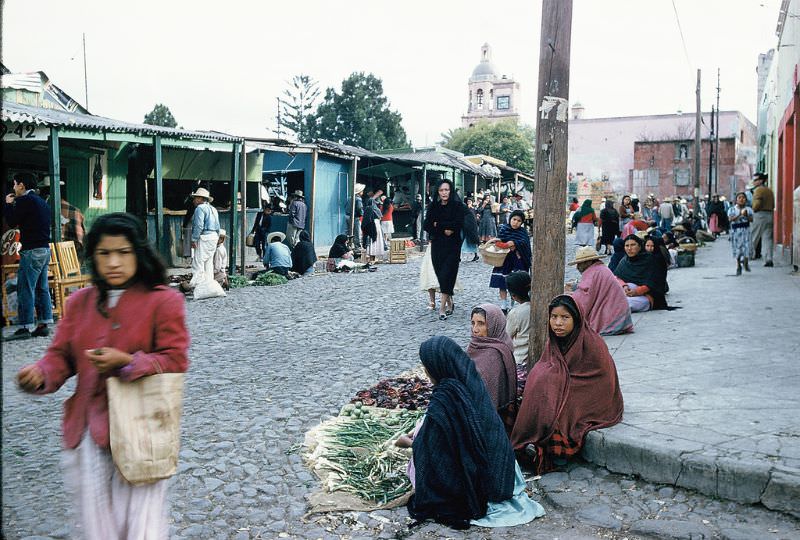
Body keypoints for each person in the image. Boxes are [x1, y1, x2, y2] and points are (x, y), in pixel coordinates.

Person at [16, 212, 189, 538]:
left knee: (142, 522)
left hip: (142, 431)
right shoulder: (80, 302)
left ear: (139, 252)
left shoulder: (164, 301)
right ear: (93, 256)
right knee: (99, 525)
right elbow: (61, 355)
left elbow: (175, 360)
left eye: (123, 253)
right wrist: (40, 373)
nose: (113, 262)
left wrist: (127, 362)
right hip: (89, 433)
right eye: (104, 253)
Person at [397, 336, 545, 530]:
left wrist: (408, 443)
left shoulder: (446, 396)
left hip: (480, 482)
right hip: (503, 473)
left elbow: (432, 448)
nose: (425, 371)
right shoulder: (471, 382)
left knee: (422, 464)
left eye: (427, 366)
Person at [511, 295, 623, 474]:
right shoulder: (554, 342)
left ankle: (552, 447)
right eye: (554, 317)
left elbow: (600, 380)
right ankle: (532, 439)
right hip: (568, 385)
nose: (558, 323)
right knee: (539, 381)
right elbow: (549, 365)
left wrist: (558, 383)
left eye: (565, 318)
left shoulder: (593, 345)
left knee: (560, 403)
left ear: (576, 320)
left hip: (590, 394)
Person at [3, 172, 54, 341]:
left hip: (31, 250)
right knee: (42, 288)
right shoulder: (42, 202)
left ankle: (25, 326)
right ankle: (43, 324)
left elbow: (11, 222)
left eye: (15, 184)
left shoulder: (24, 201)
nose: (14, 187)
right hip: (45, 250)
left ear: (22, 186)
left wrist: (8, 204)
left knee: (25, 289)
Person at [467, 304, 518, 431]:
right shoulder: (478, 345)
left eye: (481, 324)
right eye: (473, 323)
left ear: (494, 325)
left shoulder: (494, 354)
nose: (475, 329)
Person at [424, 179, 466, 320]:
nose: (444, 193)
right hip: (437, 245)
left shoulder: (458, 206)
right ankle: (450, 301)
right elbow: (427, 225)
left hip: (453, 245)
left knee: (448, 273)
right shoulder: (433, 206)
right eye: (441, 190)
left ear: (451, 190)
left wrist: (438, 224)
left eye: (446, 190)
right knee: (441, 275)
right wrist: (444, 227)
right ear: (438, 191)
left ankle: (442, 308)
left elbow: (459, 223)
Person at [567, 246, 633, 335]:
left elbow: (584, 299)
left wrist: (569, 299)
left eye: (580, 264)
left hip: (610, 321)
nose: (577, 267)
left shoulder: (592, 273)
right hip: (621, 317)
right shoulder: (600, 268)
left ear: (588, 262)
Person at [489, 210, 532, 313]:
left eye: (518, 221)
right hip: (504, 260)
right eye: (514, 219)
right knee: (502, 283)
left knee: (516, 284)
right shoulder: (504, 229)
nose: (515, 222)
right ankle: (503, 304)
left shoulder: (523, 232)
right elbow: (499, 241)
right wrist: (503, 244)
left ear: (521, 223)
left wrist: (515, 244)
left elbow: (525, 245)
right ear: (510, 219)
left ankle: (514, 304)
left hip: (517, 261)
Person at [613, 234, 668, 312]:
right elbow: (617, 277)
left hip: (647, 296)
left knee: (624, 305)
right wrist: (624, 286)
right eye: (627, 245)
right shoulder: (624, 261)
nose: (629, 248)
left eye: (633, 245)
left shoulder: (651, 260)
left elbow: (654, 282)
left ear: (639, 246)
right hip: (628, 293)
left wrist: (637, 291)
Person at [187, 187, 222, 295]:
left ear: (200, 199)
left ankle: (198, 287)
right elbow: (217, 226)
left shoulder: (200, 209)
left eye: (195, 198)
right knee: (208, 263)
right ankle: (209, 286)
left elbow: (199, 225)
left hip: (205, 237)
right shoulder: (213, 209)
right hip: (213, 237)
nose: (194, 201)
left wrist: (194, 239)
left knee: (198, 263)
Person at [504, 271, 531, 366]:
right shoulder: (538, 306)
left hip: (520, 359)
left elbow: (507, 336)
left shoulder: (515, 313)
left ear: (513, 295)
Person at [750, 173, 775, 267]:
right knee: (767, 238)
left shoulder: (758, 190)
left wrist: (753, 209)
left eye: (755, 180)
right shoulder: (769, 191)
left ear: (761, 181)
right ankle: (768, 258)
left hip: (760, 215)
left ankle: (748, 256)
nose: (754, 182)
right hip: (770, 214)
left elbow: (757, 204)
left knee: (753, 236)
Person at [728, 192, 754, 276]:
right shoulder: (732, 209)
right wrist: (739, 214)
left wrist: (746, 216)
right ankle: (738, 265)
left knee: (747, 248)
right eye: (739, 197)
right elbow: (731, 219)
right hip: (736, 231)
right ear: (736, 200)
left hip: (746, 230)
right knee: (738, 249)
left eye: (743, 198)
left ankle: (746, 262)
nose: (741, 199)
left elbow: (751, 219)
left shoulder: (749, 209)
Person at [361, 194, 385, 262]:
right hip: (377, 226)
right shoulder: (377, 209)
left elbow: (365, 220)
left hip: (370, 226)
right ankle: (373, 258)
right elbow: (380, 218)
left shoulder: (367, 209)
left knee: (370, 241)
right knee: (376, 240)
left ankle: (371, 257)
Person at [346, 183, 365, 249]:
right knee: (356, 232)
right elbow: (360, 208)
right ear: (359, 192)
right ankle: (357, 247)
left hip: (347, 216)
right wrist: (362, 214)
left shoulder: (349, 198)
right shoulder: (358, 199)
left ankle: (348, 245)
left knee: (348, 232)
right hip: (354, 217)